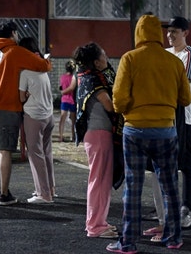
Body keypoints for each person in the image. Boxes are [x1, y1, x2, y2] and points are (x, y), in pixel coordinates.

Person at [107, 14, 191, 253]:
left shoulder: (130, 59)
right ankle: (174, 238)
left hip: (135, 131)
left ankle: (128, 242)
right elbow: (186, 98)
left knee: (133, 186)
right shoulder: (174, 61)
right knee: (170, 185)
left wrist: (127, 109)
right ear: (157, 34)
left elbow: (119, 100)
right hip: (166, 130)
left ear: (139, 33)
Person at [0, 21, 51, 206]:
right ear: (13, 33)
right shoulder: (16, 52)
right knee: (5, 151)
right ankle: (5, 194)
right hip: (7, 107)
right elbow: (44, 65)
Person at [143, 16, 191, 240]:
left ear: (185, 33)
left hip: (183, 116)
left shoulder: (190, 55)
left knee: (185, 161)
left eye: (175, 32)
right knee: (164, 162)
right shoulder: (165, 53)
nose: (170, 35)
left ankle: (187, 205)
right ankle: (166, 208)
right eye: (168, 32)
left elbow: (179, 81)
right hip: (165, 115)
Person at [73, 42, 119, 239]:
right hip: (99, 134)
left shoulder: (86, 76)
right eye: (104, 55)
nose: (107, 58)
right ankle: (95, 226)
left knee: (101, 180)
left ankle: (99, 221)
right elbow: (110, 106)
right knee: (99, 181)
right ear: (96, 61)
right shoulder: (93, 80)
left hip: (97, 134)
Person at [18, 37, 56, 204]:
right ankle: (51, 189)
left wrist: (26, 94)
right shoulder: (43, 68)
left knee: (35, 156)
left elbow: (20, 97)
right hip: (49, 116)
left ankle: (43, 194)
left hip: (34, 116)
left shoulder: (25, 72)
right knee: (46, 154)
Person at [58, 60, 77, 142]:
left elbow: (61, 87)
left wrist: (62, 91)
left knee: (62, 119)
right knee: (73, 120)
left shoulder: (62, 77)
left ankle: (61, 136)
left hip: (64, 99)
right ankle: (73, 136)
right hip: (72, 100)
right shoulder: (74, 77)